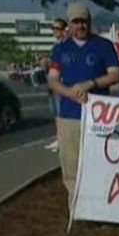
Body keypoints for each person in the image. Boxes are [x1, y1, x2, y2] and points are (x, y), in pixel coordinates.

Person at [48, 2, 119, 213]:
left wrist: (92, 84)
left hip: (98, 116)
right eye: (76, 22)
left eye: (84, 21)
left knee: (99, 164)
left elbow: (116, 74)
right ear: (69, 25)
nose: (80, 26)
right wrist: (69, 92)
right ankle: (77, 210)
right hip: (69, 116)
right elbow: (53, 80)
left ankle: (102, 209)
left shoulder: (103, 46)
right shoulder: (60, 50)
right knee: (71, 166)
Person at [44, 18, 69, 152]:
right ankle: (59, 137)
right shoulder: (56, 46)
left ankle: (62, 139)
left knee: (60, 112)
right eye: (53, 28)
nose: (54, 31)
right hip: (52, 83)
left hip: (61, 83)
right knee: (55, 111)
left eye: (57, 28)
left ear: (64, 30)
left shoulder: (65, 46)